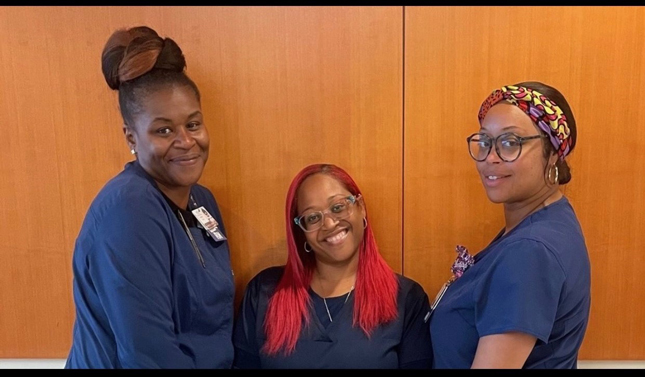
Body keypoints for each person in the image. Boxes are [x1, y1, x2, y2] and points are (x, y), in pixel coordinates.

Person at [65, 26, 235, 368]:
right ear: (131, 135)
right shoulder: (129, 210)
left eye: (193, 124)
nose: (186, 141)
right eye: (164, 130)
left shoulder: (202, 202)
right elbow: (149, 357)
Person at [429, 82, 591, 369]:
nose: (490, 158)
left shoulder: (529, 252)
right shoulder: (551, 219)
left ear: (552, 152)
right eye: (484, 141)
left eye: (510, 143)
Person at [232, 163, 433, 369]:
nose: (329, 224)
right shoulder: (264, 292)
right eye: (312, 217)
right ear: (301, 230)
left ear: (361, 207)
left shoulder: (406, 299)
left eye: (338, 207)